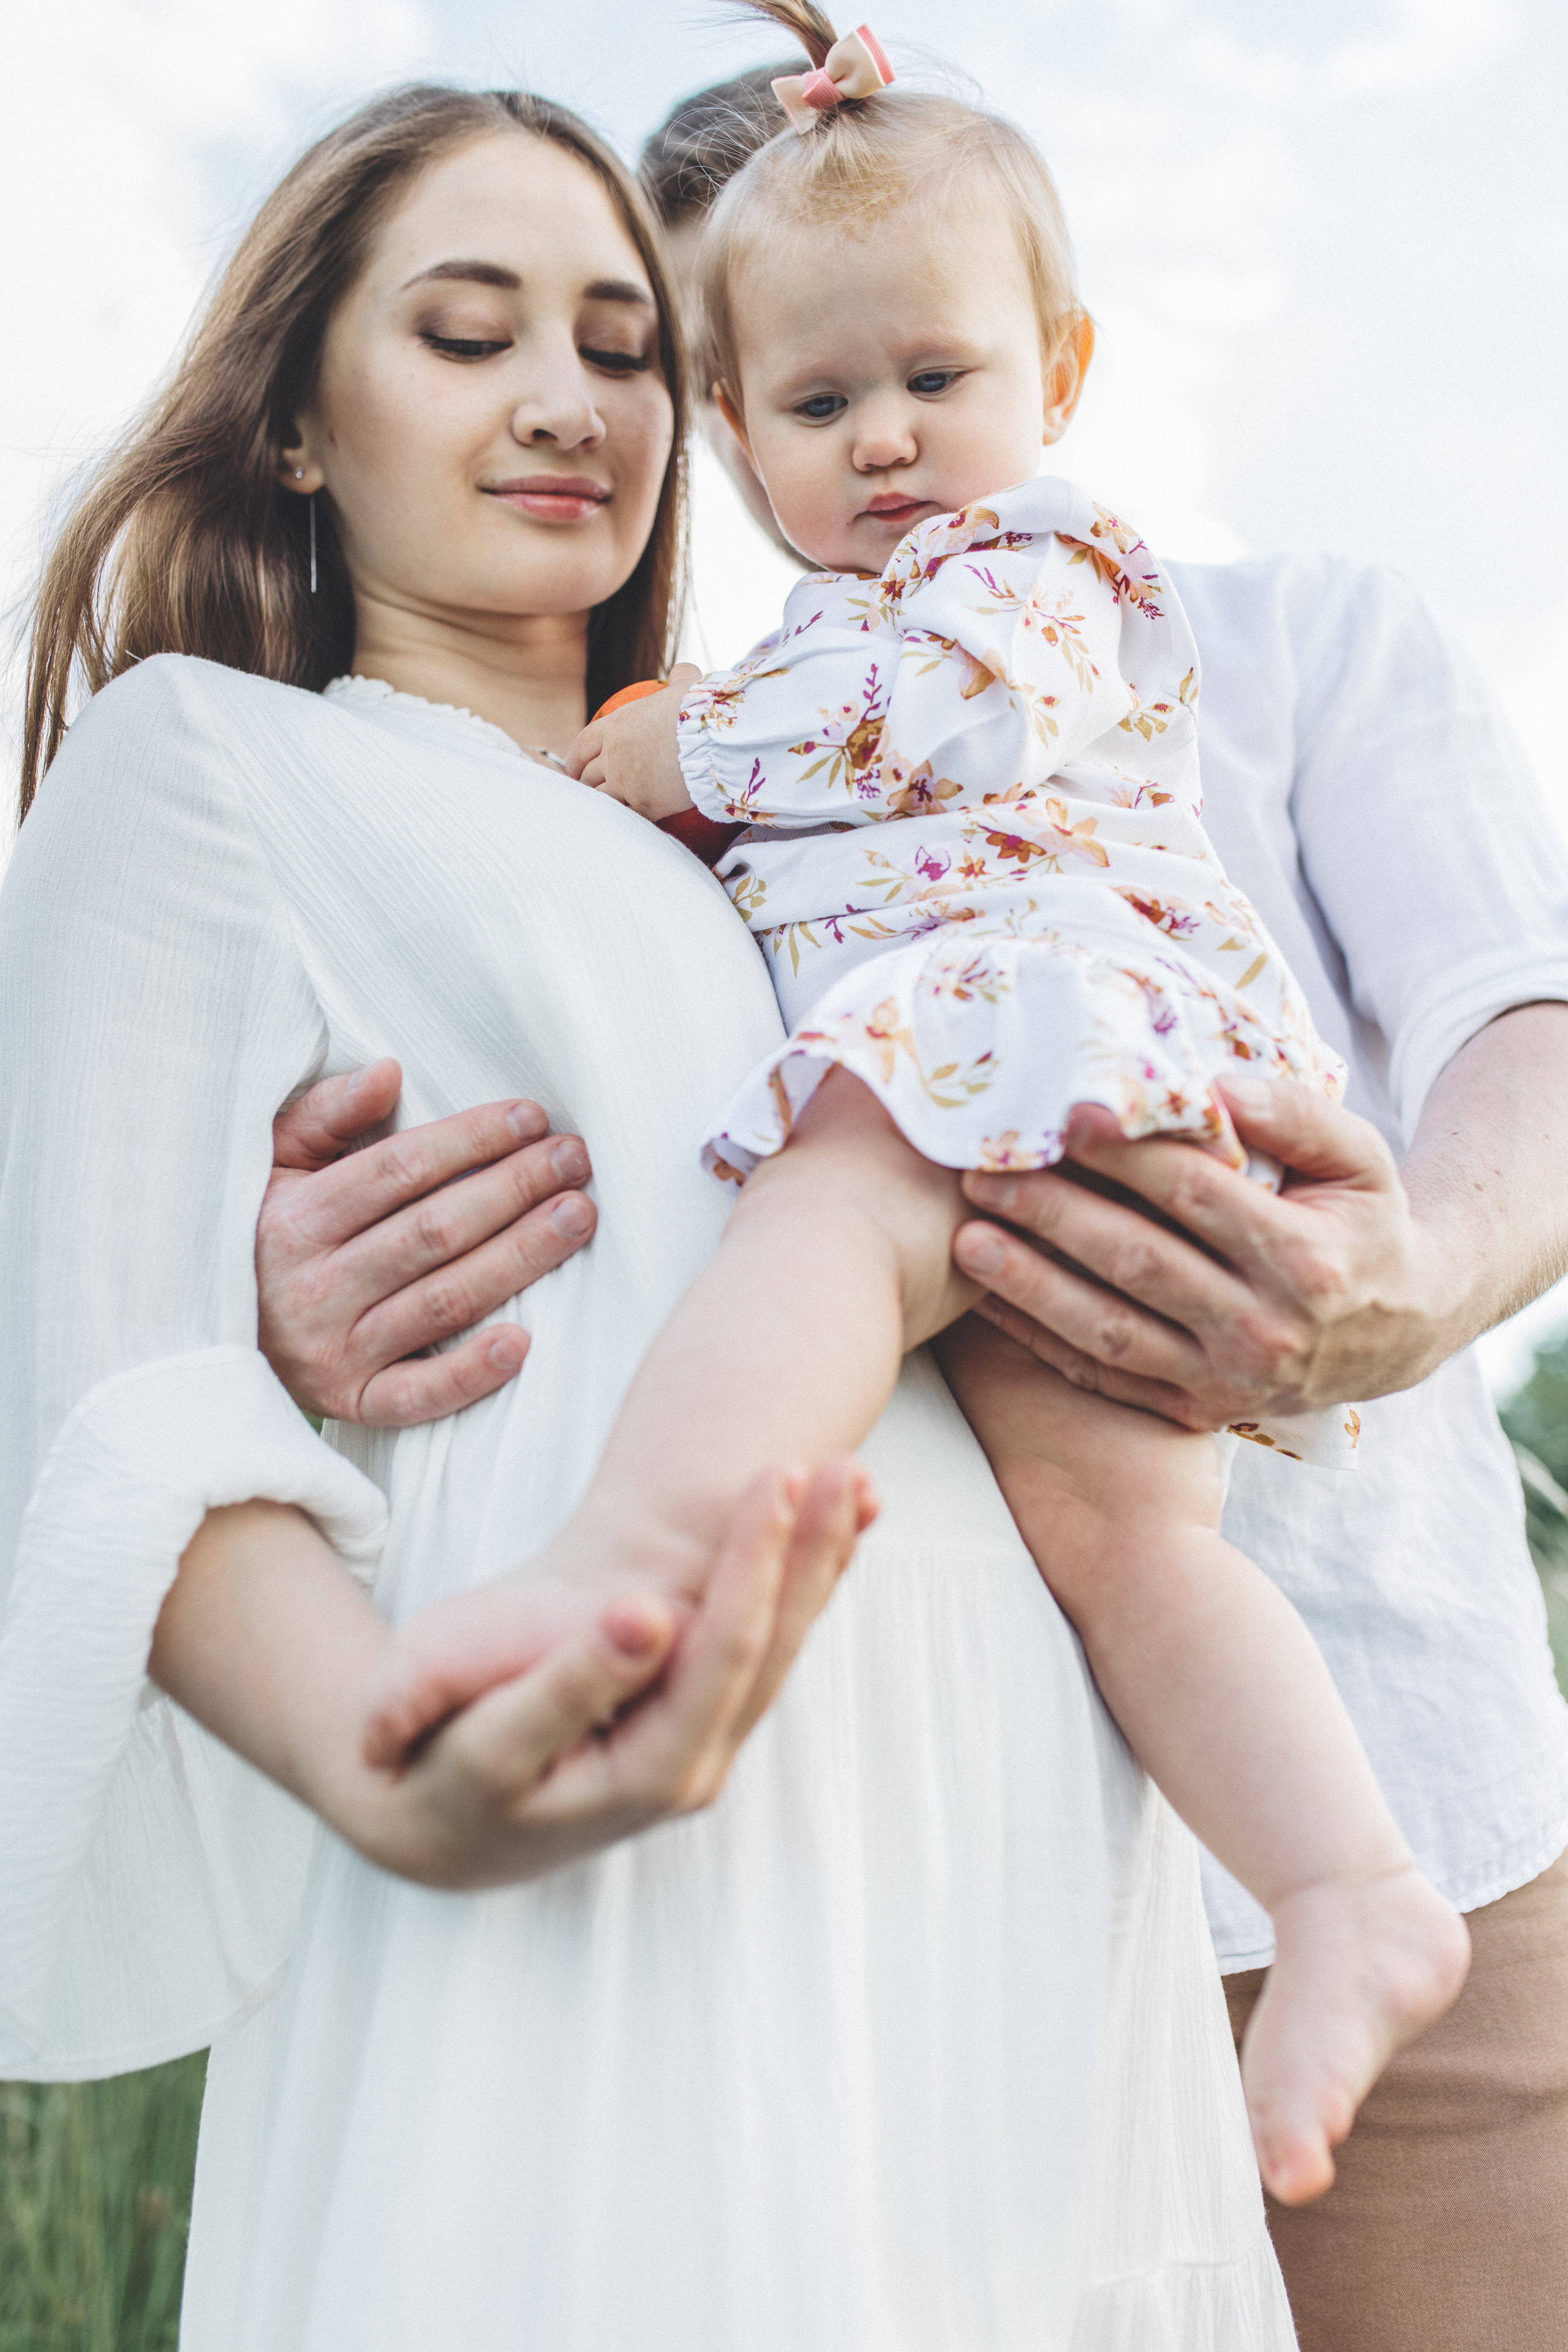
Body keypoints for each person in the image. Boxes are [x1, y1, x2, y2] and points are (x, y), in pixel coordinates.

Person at [255, 55, 1568, 2352]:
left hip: (1384, 1704)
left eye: (932, 370)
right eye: (796, 387)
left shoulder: (1073, 609)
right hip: (885, 1873)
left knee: (866, 1215)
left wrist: (1424, 1271)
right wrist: (298, 1299)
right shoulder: (648, 746)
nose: (882, 437)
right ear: (732, 438)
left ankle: (1343, 1874)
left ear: (1043, 361)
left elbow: (1526, 1031)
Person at [0, 81, 1295, 2351]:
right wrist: (390, 1759)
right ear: (297, 421)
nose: (563, 403)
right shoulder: (214, 759)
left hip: (1004, 1841)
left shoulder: (808, 820)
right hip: (577, 1838)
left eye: (619, 342)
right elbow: (112, 1398)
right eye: (468, 331)